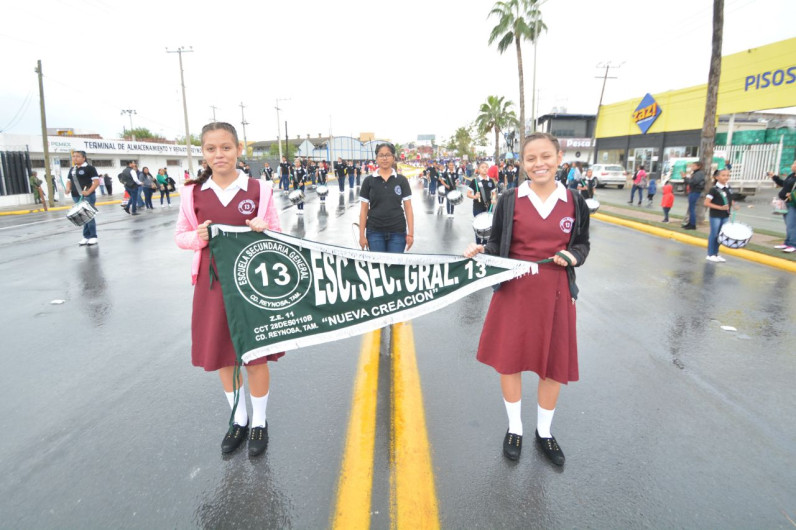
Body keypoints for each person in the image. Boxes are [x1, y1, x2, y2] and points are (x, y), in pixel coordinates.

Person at [463, 132, 590, 466]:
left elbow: (582, 244)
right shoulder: (509, 199)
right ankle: (515, 427)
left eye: (546, 156)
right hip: (515, 292)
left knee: (552, 366)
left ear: (559, 158)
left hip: (556, 295)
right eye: (531, 158)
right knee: (511, 361)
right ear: (522, 163)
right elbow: (496, 247)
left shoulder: (574, 200)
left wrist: (573, 257)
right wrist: (481, 251)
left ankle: (544, 433)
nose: (539, 164)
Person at [175, 122, 282, 457]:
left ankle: (260, 423)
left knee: (254, 356)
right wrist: (199, 238)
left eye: (226, 147)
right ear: (203, 153)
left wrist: (264, 229)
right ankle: (238, 418)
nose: (218, 154)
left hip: (252, 286)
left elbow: (277, 234)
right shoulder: (191, 192)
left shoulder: (259, 190)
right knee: (223, 355)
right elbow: (181, 237)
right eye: (211, 149)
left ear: (238, 149)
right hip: (212, 286)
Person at [358, 142, 414, 253]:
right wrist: (361, 235)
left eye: (388, 155)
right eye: (381, 155)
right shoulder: (368, 181)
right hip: (374, 232)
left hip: (397, 232)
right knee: (378, 267)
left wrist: (411, 234)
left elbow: (408, 208)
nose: (384, 158)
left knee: (394, 268)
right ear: (376, 158)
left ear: (393, 158)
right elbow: (364, 210)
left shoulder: (401, 180)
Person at [65, 150, 101, 245]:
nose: (75, 158)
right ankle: (86, 236)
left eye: (77, 156)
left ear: (83, 158)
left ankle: (93, 236)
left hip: (88, 196)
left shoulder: (90, 168)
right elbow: (69, 181)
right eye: (73, 156)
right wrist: (68, 188)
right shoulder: (72, 169)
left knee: (88, 216)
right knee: (82, 217)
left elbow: (96, 182)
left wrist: (88, 191)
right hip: (76, 195)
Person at [704, 168, 736, 263]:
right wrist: (720, 207)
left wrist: (734, 205)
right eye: (723, 175)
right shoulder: (714, 189)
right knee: (714, 234)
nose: (726, 177)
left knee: (721, 236)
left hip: (725, 215)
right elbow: (707, 203)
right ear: (717, 177)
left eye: (727, 175)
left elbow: (730, 199)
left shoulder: (728, 188)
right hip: (716, 215)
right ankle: (710, 254)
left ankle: (716, 253)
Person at [467, 161, 497, 244]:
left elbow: (494, 193)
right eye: (482, 167)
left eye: (486, 167)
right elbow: (468, 194)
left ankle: (484, 244)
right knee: (479, 226)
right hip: (478, 207)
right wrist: (475, 197)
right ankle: (478, 244)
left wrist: (494, 199)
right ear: (478, 170)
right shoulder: (475, 181)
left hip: (488, 207)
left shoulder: (491, 181)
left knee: (487, 226)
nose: (485, 169)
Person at [769, 160, 796, 253]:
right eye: (793, 163)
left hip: (793, 204)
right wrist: (774, 177)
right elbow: (783, 184)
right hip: (785, 203)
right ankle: (787, 243)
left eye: (795, 164)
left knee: (792, 225)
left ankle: (793, 244)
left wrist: (792, 195)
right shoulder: (791, 175)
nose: (793, 165)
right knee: (788, 224)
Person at [682, 162, 705, 229]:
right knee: (691, 208)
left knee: (692, 208)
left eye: (693, 166)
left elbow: (694, 182)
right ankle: (690, 223)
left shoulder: (699, 173)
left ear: (698, 166)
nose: (692, 167)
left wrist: (685, 178)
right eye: (692, 166)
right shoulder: (696, 173)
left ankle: (692, 224)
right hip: (693, 191)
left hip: (695, 191)